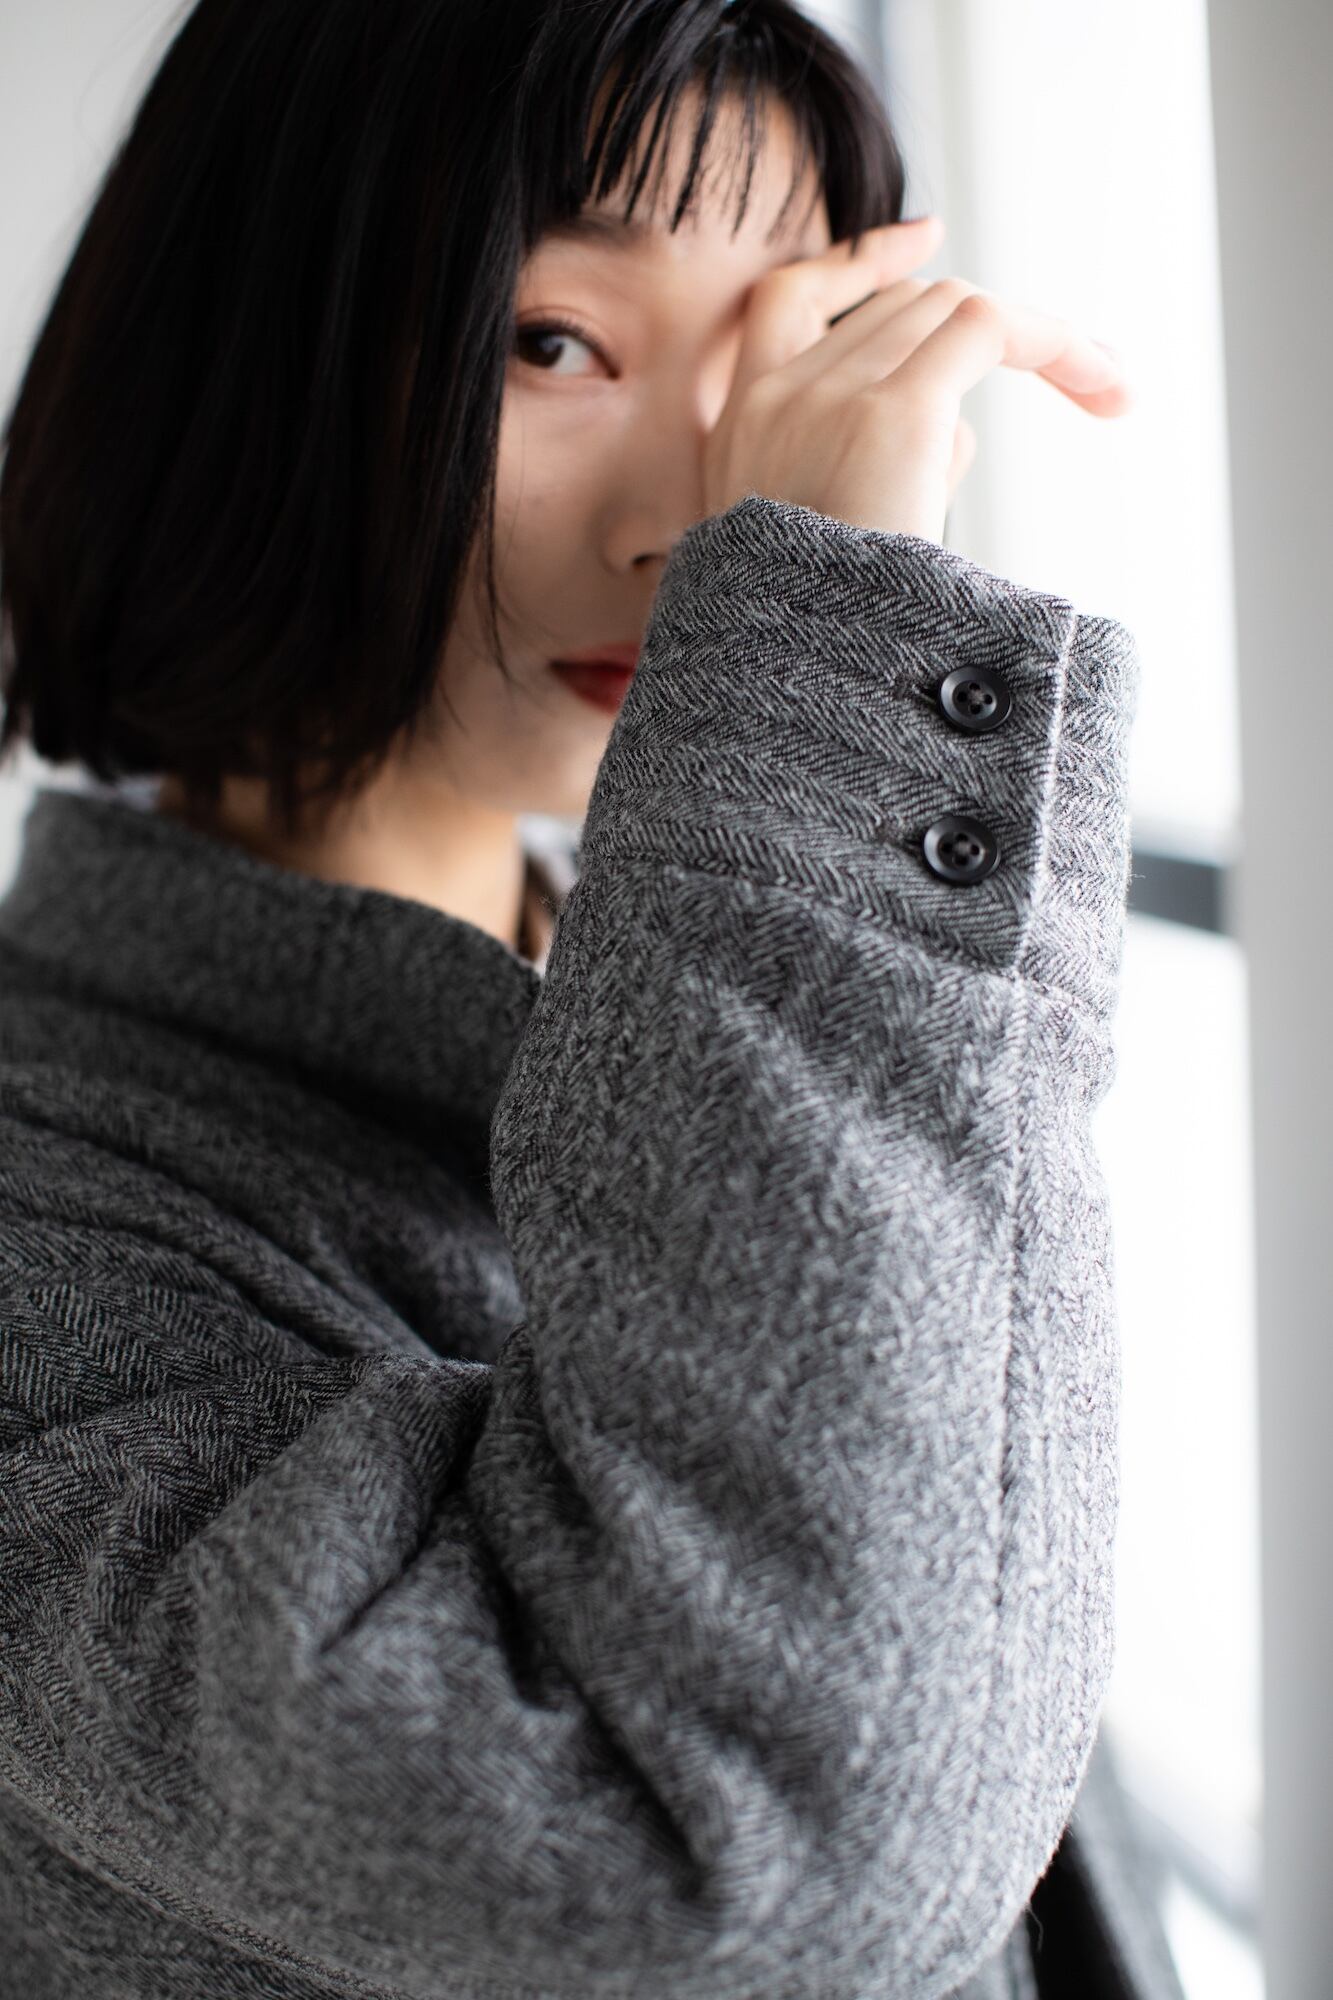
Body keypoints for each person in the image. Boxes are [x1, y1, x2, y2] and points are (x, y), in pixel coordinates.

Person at [0, 1, 1186, 1995]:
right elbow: (742, 1863)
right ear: (242, 353)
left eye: (783, 355)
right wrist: (831, 650)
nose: (698, 519)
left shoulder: (689, 990)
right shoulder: (49, 1219)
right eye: (555, 343)